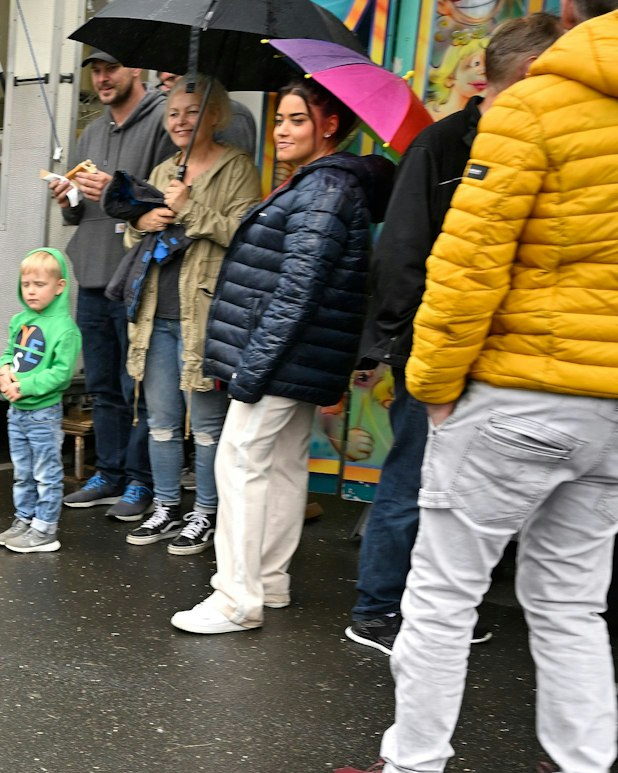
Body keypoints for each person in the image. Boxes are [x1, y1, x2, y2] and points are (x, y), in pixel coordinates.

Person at [330, 0, 618, 773]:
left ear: (571, 15)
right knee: (570, 601)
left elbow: (467, 264)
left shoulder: (534, 107)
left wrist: (433, 384)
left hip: (522, 395)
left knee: (444, 594)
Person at [342, 14, 561, 655]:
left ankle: (434, 613)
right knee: (411, 482)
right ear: (524, 77)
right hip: (433, 344)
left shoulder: (529, 144)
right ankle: (377, 609)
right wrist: (387, 344)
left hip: (497, 352)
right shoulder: (441, 146)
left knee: (462, 496)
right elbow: (402, 253)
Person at [169, 78, 391, 634]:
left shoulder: (322, 190)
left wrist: (253, 369)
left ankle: (235, 598)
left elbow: (298, 289)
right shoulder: (326, 185)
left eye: (297, 119)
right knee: (285, 464)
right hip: (300, 359)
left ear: (329, 125)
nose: (282, 130)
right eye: (280, 119)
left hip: (281, 357)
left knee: (240, 461)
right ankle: (268, 581)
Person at [119, 76, 262, 555]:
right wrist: (141, 221)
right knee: (160, 419)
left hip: (205, 314)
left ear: (216, 116)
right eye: (174, 113)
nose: (181, 121)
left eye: (192, 111)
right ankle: (163, 507)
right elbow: (132, 236)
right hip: (156, 311)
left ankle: (204, 512)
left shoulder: (238, 167)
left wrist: (188, 208)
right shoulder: (162, 171)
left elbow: (244, 231)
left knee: (206, 425)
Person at [51, 51, 175, 522]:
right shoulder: (91, 130)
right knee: (101, 387)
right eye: (96, 71)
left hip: (139, 278)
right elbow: (78, 215)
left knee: (137, 388)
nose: (102, 78)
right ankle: (108, 473)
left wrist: (115, 192)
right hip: (92, 275)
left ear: (136, 69)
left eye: (111, 69)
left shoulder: (163, 120)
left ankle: (141, 481)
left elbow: (167, 199)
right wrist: (68, 199)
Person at [0, 249, 81, 554]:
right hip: (16, 411)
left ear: (59, 286)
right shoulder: (20, 320)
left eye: (39, 284)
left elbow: (61, 374)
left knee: (46, 474)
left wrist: (25, 386)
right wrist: (4, 372)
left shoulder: (65, 329)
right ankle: (24, 520)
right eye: (26, 283)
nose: (31, 290)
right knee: (22, 472)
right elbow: (9, 353)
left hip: (43, 414)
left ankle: (44, 530)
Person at [156, 71, 259, 156]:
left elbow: (234, 169)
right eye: (163, 83)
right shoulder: (164, 169)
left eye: (172, 79)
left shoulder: (235, 115)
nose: (166, 88)